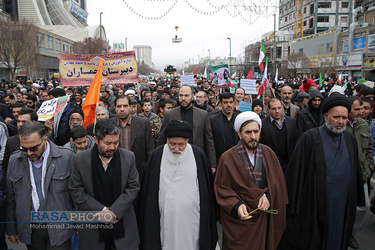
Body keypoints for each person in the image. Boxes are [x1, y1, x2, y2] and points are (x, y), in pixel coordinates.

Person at [280, 94, 365, 250]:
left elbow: (355, 172)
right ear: (326, 116)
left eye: (344, 118)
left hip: (342, 206)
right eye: (336, 117)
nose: (341, 122)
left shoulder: (349, 139)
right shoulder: (310, 138)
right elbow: (295, 177)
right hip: (315, 207)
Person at [137, 119, 218, 250]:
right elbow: (148, 193)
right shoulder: (157, 156)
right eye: (172, 144)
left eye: (181, 145)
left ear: (187, 141)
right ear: (166, 140)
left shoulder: (198, 155)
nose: (176, 148)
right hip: (164, 220)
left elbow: (207, 192)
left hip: (193, 221)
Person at [214, 111, 288, 250]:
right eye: (248, 132)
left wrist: (268, 197)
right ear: (239, 134)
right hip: (241, 221)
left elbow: (278, 184)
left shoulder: (268, 153)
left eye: (256, 131)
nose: (253, 136)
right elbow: (222, 189)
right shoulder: (227, 157)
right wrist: (236, 206)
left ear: (260, 132)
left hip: (264, 217)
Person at [69, 119, 140, 250]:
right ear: (96, 140)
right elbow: (76, 190)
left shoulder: (128, 157)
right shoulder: (80, 160)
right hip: (93, 229)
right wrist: (101, 211)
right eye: (108, 143)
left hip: (123, 225)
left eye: (116, 142)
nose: (113, 147)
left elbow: (133, 187)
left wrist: (113, 212)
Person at [7, 121, 75, 249]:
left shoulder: (66, 157)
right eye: (24, 149)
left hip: (60, 227)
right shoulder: (14, 161)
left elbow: (75, 194)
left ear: (45, 140)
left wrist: (77, 224)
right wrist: (11, 228)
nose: (28, 153)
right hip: (32, 229)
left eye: (33, 148)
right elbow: (11, 198)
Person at [157, 85, 217, 172]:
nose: (183, 98)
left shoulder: (203, 115)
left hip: (196, 159)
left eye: (186, 95)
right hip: (174, 159)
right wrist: (158, 160)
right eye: (181, 95)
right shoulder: (169, 114)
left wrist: (212, 164)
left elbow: (209, 140)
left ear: (193, 97)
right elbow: (162, 138)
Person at [345, 96, 374, 249]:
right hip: (343, 176)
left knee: (363, 207)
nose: (361, 112)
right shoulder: (340, 124)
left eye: (362, 109)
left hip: (361, 176)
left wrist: (367, 170)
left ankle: (351, 234)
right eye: (357, 109)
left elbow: (369, 149)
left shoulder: (363, 125)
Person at [112, 95, 154, 177]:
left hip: (139, 171)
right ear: (115, 108)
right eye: (119, 106)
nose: (122, 109)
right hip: (116, 171)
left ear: (130, 107)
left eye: (125, 106)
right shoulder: (109, 125)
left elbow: (150, 149)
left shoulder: (143, 123)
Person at [260, 98, 298, 172]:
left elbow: (295, 141)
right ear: (269, 109)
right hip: (270, 164)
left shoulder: (290, 122)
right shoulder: (262, 124)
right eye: (274, 109)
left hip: (288, 164)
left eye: (279, 108)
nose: (277, 111)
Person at [209, 92, 241, 162]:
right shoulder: (212, 120)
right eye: (225, 102)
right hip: (220, 160)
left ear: (234, 103)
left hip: (238, 159)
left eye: (231, 102)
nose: (228, 105)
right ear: (221, 104)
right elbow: (210, 143)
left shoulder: (240, 117)